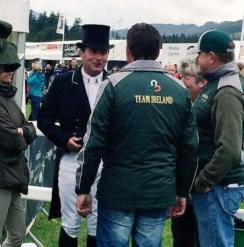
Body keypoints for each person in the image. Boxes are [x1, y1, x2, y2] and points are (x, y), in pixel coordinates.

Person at [75, 23, 198, 247]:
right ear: (159, 51)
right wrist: (182, 191)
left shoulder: (112, 85)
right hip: (158, 191)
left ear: (128, 50)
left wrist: (83, 188)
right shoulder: (179, 90)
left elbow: (93, 143)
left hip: (118, 191)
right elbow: (189, 147)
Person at [37, 24, 114, 247]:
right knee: (70, 223)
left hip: (104, 162)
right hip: (73, 159)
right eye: (93, 52)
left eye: (103, 53)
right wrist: (64, 139)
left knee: (97, 222)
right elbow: (44, 118)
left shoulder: (113, 84)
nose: (99, 58)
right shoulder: (63, 82)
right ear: (82, 52)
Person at [191, 30, 244, 247]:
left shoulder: (226, 90)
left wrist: (204, 181)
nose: (198, 59)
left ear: (211, 57)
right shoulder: (222, 82)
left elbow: (230, 148)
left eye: (200, 54)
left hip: (218, 187)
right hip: (218, 185)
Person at [0, 18, 36, 247]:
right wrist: (21, 132)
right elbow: (12, 139)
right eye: (5, 67)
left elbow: (28, 128)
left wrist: (22, 131)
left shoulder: (8, 100)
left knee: (17, 235)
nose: (10, 71)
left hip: (12, 177)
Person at [170, 55, 207, 247]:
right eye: (180, 76)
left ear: (201, 82)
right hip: (183, 184)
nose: (181, 81)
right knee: (181, 236)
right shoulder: (180, 105)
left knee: (201, 237)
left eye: (187, 77)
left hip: (201, 184)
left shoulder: (207, 106)